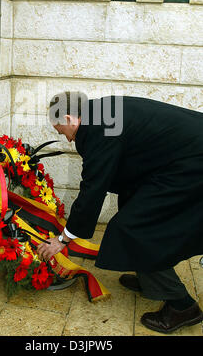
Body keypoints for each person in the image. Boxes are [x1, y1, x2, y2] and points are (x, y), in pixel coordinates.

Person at [37, 91, 203, 334]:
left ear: (71, 118)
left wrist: (64, 239)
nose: (69, 140)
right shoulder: (98, 112)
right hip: (180, 158)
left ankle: (182, 306)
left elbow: (93, 187)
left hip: (193, 163)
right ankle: (150, 279)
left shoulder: (98, 128)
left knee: (134, 230)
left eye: (63, 131)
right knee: (131, 209)